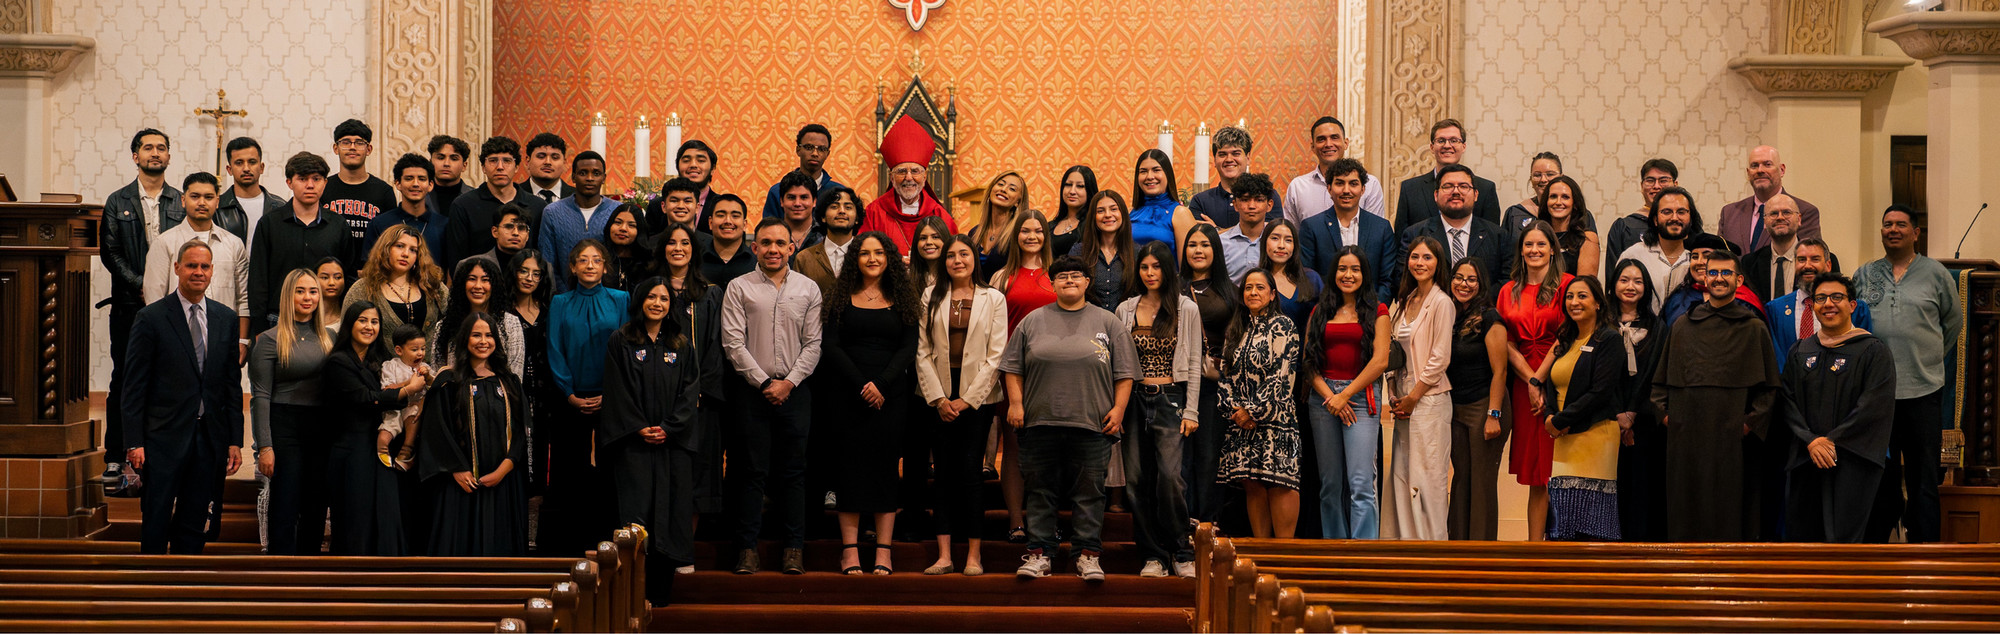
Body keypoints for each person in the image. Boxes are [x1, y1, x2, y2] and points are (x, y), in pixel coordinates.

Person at [1004, 255, 1137, 582]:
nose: (1069, 281)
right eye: (1062, 277)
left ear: (1087, 282)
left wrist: (1119, 410)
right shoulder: (1033, 321)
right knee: (1041, 491)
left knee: (1090, 493)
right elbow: (1012, 368)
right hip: (1039, 422)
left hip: (1092, 424)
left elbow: (1125, 374)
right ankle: (1040, 554)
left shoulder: (1108, 322)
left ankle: (1088, 555)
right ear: (1052, 283)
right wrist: (1016, 403)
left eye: (1076, 276)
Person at [123, 239, 244, 554]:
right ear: (177, 268)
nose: (198, 272)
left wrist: (234, 440)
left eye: (205, 266)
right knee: (156, 520)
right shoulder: (151, 318)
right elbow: (134, 386)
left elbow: (231, 384)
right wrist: (134, 442)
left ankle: (185, 584)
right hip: (163, 437)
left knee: (194, 521)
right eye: (191, 265)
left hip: (209, 438)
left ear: (212, 271)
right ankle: (151, 589)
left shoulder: (226, 319)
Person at [1651, 249, 1781, 541]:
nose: (1718, 279)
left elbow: (1769, 389)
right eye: (1713, 273)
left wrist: (1748, 424)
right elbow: (1659, 385)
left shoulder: (1754, 328)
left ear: (1739, 279)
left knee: (1733, 511)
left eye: (1725, 273)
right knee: (1686, 511)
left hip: (1734, 441)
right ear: (1704, 278)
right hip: (1686, 440)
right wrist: (1669, 418)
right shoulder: (1683, 326)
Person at [720, 218, 823, 575]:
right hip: (752, 393)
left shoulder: (809, 288)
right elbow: (733, 343)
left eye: (781, 243)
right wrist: (765, 383)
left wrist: (789, 383)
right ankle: (746, 549)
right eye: (766, 243)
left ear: (792, 247)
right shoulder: (738, 287)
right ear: (755, 247)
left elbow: (813, 344)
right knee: (751, 472)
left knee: (794, 473)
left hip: (796, 391)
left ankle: (793, 549)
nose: (774, 249)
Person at [1854, 205, 1959, 544]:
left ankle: (1927, 553)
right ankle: (1876, 555)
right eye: (1887, 224)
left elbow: (1952, 323)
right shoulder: (1865, 274)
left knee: (1923, 478)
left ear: (1916, 233)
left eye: (1901, 225)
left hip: (1923, 392)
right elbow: (1853, 324)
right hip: (1877, 395)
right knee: (1878, 477)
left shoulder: (1936, 274)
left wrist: (1925, 358)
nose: (1893, 229)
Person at [820, 232, 921, 575]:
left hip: (890, 395)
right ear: (855, 259)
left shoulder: (903, 297)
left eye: (879, 253)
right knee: (848, 469)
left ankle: (883, 550)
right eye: (865, 253)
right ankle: (849, 551)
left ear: (889, 257)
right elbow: (831, 346)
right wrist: (862, 384)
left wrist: (881, 384)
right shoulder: (839, 296)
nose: (873, 258)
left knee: (885, 471)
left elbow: (909, 348)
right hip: (847, 394)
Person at [600, 277, 701, 601]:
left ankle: (660, 592)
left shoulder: (681, 343)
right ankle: (630, 591)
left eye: (664, 299)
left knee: (669, 516)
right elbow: (616, 389)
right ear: (640, 300)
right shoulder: (622, 340)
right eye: (651, 297)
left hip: (672, 446)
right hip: (634, 446)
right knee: (635, 514)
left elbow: (690, 391)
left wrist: (670, 428)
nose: (657, 303)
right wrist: (637, 426)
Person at [1781, 272, 1897, 543]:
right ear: (1813, 306)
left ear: (1852, 305)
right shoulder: (1800, 351)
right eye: (1820, 298)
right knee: (1806, 541)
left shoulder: (1872, 351)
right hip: (1806, 460)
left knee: (1847, 543)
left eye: (1837, 297)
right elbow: (1787, 400)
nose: (1828, 304)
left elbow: (1873, 406)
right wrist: (1811, 442)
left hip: (1853, 462)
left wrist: (1830, 443)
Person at [916, 235, 1007, 576]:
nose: (957, 260)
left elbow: (996, 354)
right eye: (951, 255)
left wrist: (967, 400)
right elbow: (922, 351)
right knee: (942, 474)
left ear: (974, 259)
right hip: (938, 394)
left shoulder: (993, 298)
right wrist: (939, 398)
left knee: (970, 472)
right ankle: (943, 555)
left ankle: (973, 555)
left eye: (963, 254)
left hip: (977, 397)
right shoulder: (931, 295)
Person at [1115, 242, 1203, 576]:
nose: (1150, 273)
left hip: (1171, 399)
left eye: (1156, 267)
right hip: (1135, 399)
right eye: (1144, 267)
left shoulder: (1185, 308)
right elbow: (1118, 363)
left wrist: (1191, 410)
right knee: (1137, 481)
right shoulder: (1125, 308)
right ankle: (1152, 555)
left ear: (1168, 269)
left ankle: (1181, 552)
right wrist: (1118, 407)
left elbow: (1193, 361)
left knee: (1170, 478)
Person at [419, 313, 531, 556]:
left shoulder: (509, 382)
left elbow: (522, 431)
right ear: (464, 340)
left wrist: (505, 468)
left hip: (502, 484)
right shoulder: (449, 382)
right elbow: (436, 430)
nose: (484, 341)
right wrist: (456, 469)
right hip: (460, 485)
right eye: (476, 335)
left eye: (489, 335)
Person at [544, 240, 630, 555]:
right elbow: (555, 349)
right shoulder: (559, 302)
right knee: (573, 477)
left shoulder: (622, 300)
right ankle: (571, 550)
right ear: (573, 267)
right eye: (583, 260)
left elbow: (625, 353)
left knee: (608, 477)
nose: (590, 265)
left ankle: (608, 546)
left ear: (606, 267)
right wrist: (569, 395)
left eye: (596, 260)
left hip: (613, 401)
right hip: (571, 402)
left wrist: (610, 394)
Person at [1302, 247, 1393, 540]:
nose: (1348, 275)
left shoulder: (1378, 311)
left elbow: (1380, 361)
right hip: (1323, 400)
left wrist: (1345, 396)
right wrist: (1331, 397)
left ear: (1364, 274)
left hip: (1361, 398)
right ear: (1334, 273)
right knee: (1329, 484)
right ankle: (1334, 551)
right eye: (1342, 269)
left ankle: (1363, 555)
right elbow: (1308, 360)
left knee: (1361, 483)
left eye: (1355, 269)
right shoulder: (1320, 310)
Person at [102, 128, 177, 483]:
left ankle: (160, 451)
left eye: (161, 148)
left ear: (168, 156)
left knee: (168, 378)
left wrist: (163, 290)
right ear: (135, 156)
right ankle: (116, 454)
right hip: (130, 305)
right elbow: (111, 253)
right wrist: (143, 286)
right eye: (148, 148)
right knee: (124, 378)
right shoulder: (118, 201)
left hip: (172, 305)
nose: (155, 153)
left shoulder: (179, 200)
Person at [324, 302, 424, 555]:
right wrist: (407, 391)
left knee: (386, 515)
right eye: (363, 320)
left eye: (374, 321)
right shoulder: (338, 361)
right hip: (351, 447)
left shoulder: (379, 359)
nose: (369, 327)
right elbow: (364, 398)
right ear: (350, 324)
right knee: (356, 517)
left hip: (380, 445)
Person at [248, 269, 336, 555]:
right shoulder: (269, 340)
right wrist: (265, 446)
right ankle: (280, 568)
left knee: (316, 500)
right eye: (300, 291)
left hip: (321, 426)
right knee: (286, 500)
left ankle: (311, 568)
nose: (308, 297)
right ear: (289, 295)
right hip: (284, 423)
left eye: (313, 291)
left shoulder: (330, 338)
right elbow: (260, 396)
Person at [656, 224, 727, 567]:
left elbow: (716, 347)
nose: (678, 248)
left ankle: (685, 550)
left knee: (695, 477)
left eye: (685, 242)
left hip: (700, 402)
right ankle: (661, 550)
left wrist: (697, 393)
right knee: (663, 476)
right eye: (671, 242)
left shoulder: (711, 294)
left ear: (694, 250)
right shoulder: (652, 292)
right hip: (659, 404)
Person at [1499, 220, 1572, 541]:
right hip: (1521, 382)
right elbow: (1506, 342)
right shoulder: (1508, 289)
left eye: (1541, 244)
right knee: (1537, 474)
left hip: (1559, 380)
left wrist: (1539, 380)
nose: (1534, 250)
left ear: (1553, 249)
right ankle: (1534, 549)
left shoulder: (1567, 285)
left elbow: (1568, 334)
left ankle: (1565, 544)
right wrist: (1529, 380)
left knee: (1561, 468)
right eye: (1528, 245)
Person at [1539, 276, 1627, 541]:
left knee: (1592, 523)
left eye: (1582, 296)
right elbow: (1551, 385)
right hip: (1564, 437)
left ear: (1598, 303)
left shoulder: (1608, 340)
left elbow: (1600, 392)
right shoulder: (1566, 339)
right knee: (1562, 521)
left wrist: (1561, 420)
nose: (1574, 302)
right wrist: (1550, 417)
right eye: (1569, 297)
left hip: (1595, 435)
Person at [1218, 268, 1304, 539]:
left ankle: (1285, 556)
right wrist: (1234, 409)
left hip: (1275, 421)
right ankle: (1262, 550)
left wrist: (1253, 411)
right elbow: (1224, 373)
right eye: (1248, 288)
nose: (1253, 292)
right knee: (1252, 484)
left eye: (1259, 288)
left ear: (1272, 294)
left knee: (1280, 484)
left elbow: (1282, 375)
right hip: (1241, 423)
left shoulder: (1283, 326)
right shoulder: (1236, 328)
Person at [1383, 236, 1456, 540]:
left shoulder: (1442, 302)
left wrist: (1414, 397)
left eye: (1427, 257)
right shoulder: (1404, 300)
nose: (1420, 263)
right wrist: (1393, 392)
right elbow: (1391, 351)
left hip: (1429, 400)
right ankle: (1404, 546)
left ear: (1438, 263)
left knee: (1428, 479)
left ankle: (1432, 548)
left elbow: (1440, 357)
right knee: (1402, 475)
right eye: (1415, 257)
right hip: (1403, 399)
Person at [991, 209, 1056, 540]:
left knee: (1049, 448)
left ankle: (1044, 519)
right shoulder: (1002, 277)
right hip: (1013, 372)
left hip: (1053, 374)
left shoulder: (1057, 275)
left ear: (1046, 235)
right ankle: (1016, 520)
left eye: (1038, 231)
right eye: (1025, 231)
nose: (1032, 236)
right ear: (1015, 237)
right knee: (1014, 447)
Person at [143, 173, 248, 361]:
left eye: (208, 197)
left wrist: (242, 340)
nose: (201, 202)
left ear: (217, 201)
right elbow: (154, 298)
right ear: (183, 200)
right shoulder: (165, 242)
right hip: (176, 339)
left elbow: (243, 298)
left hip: (222, 339)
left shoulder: (234, 244)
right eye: (195, 196)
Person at [1443, 257, 1508, 540]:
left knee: (1481, 483)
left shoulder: (1490, 317)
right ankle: (1457, 549)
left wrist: (1493, 415)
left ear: (1481, 284)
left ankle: (1483, 554)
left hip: (1485, 405)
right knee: (1460, 480)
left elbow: (1500, 370)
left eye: (1471, 279)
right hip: (1455, 407)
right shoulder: (1450, 314)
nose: (1463, 284)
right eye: (1459, 277)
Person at [250, 152, 351, 334]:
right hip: (277, 319)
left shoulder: (339, 225)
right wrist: (258, 329)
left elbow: (348, 275)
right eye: (302, 179)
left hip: (325, 320)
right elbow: (258, 279)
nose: (310, 185)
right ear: (289, 182)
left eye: (316, 179)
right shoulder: (269, 224)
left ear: (325, 183)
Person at [1179, 224, 1238, 527]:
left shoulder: (1229, 291)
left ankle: (1208, 520)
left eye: (1205, 244)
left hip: (1214, 383)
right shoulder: (1173, 287)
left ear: (1215, 250)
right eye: (1192, 245)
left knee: (1209, 454)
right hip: (1177, 381)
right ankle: (1184, 520)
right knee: (1181, 455)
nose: (1198, 251)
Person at [1608, 259, 1667, 541]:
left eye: (1637, 281)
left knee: (1643, 485)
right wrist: (1618, 412)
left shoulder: (1658, 327)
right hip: (1605, 419)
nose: (1630, 287)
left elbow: (1655, 373)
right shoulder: (1600, 324)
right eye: (1624, 280)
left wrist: (1632, 413)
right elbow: (1599, 376)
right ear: (1613, 284)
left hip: (1645, 421)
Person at [502, 249, 557, 523]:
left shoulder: (549, 310)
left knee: (542, 467)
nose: (530, 278)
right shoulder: (502, 312)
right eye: (524, 271)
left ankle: (534, 539)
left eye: (536, 273)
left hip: (547, 398)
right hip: (513, 397)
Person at [1400, 164, 1512, 297]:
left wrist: (1474, 303)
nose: (1456, 192)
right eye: (1448, 186)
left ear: (1476, 195)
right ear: (1436, 195)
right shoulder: (1415, 234)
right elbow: (1403, 279)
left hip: (1482, 313)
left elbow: (1507, 280)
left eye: (1463, 186)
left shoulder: (1498, 236)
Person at [1300, 159, 1398, 301]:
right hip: (1327, 316)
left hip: (1371, 315)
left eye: (1353, 184)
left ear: (1363, 189)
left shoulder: (1381, 228)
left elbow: (1387, 281)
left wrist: (1373, 312)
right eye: (1339, 183)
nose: (1346, 190)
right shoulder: (1312, 227)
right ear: (1329, 188)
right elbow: (1308, 279)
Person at [444, 136, 547, 269]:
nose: (500, 167)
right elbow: (456, 259)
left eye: (507, 161)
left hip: (525, 285)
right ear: (483, 167)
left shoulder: (537, 206)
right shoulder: (463, 205)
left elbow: (542, 257)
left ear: (516, 167)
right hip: (479, 285)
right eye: (493, 161)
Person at [1768, 238, 1874, 366]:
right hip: (1791, 383)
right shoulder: (1775, 309)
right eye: (1801, 260)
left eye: (1815, 259)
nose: (1807, 265)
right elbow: (1775, 360)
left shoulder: (1855, 308)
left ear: (1828, 265)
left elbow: (1864, 354)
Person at [861, 116, 958, 254]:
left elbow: (952, 254)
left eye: (915, 171)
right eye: (901, 171)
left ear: (924, 177)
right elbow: (863, 252)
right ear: (892, 178)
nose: (908, 178)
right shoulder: (874, 213)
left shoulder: (939, 214)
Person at [1393, 119, 1501, 233]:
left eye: (1454, 140)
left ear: (1463, 146)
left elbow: (1492, 238)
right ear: (1431, 147)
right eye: (1441, 141)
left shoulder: (1485, 188)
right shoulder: (1410, 189)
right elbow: (1401, 239)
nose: (1447, 145)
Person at [344, 224, 448, 337]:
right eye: (399, 246)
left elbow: (455, 320)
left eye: (413, 250)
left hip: (429, 355)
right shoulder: (362, 288)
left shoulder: (432, 285)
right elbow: (347, 333)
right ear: (386, 248)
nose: (405, 254)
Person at [430, 258, 527, 377]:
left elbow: (515, 376)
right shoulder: (444, 326)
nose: (478, 286)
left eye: (485, 280)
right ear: (462, 284)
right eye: (472, 279)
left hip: (498, 394)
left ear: (494, 285)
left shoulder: (510, 324)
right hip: (455, 393)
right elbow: (438, 374)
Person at [1718, 146, 1822, 254]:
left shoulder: (1804, 211)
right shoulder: (1730, 213)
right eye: (1754, 166)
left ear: (1781, 170)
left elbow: (1808, 260)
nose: (1760, 170)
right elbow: (1720, 259)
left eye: (1767, 164)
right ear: (1748, 173)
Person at [1283, 117, 1386, 223]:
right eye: (1321, 139)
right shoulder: (1298, 187)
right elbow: (1291, 235)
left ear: (1346, 143)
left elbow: (1374, 231)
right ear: (1313, 146)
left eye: (1334, 137)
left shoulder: (1370, 184)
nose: (1328, 144)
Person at [323, 120, 399, 264]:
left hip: (370, 273)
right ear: (335, 148)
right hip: (329, 273)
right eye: (345, 142)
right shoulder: (323, 187)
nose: (352, 147)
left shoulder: (384, 191)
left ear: (368, 149)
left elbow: (391, 239)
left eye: (359, 142)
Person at [539, 151, 614, 292]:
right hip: (563, 297)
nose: (590, 178)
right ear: (573, 177)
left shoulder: (616, 211)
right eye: (583, 173)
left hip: (606, 297)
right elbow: (547, 263)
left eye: (596, 173)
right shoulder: (553, 212)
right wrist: (565, 296)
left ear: (604, 178)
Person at [1615, 186, 1698, 313]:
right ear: (1655, 219)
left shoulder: (1697, 261)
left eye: (1681, 212)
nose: (1674, 218)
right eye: (1667, 212)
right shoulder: (1634, 255)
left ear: (1690, 219)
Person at [1659, 233, 1764, 327]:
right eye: (1695, 257)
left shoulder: (1744, 301)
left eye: (1707, 256)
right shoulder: (1678, 299)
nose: (1699, 262)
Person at [1604, 159, 1678, 273]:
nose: (1656, 186)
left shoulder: (1684, 225)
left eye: (1663, 180)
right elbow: (1614, 276)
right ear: (1642, 186)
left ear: (1675, 184)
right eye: (1650, 180)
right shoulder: (1624, 227)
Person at [364, 154, 446, 256]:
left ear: (430, 185)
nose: (415, 184)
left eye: (422, 179)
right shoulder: (379, 224)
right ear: (398, 184)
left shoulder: (444, 225)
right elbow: (370, 267)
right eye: (409, 178)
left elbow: (450, 269)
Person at [793, 185, 864, 297]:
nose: (841, 211)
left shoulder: (867, 256)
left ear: (857, 219)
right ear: (823, 217)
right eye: (834, 207)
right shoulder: (804, 258)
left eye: (848, 207)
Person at [1072, 190, 1137, 313]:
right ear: (1093, 217)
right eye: (1100, 211)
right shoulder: (1079, 252)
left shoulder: (1137, 252)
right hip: (1087, 324)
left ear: (1122, 213)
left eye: (1113, 209)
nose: (1107, 215)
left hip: (1126, 326)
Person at [762, 124, 843, 220]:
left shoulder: (838, 193)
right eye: (809, 147)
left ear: (827, 154)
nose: (815, 154)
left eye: (822, 149)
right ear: (798, 150)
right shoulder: (777, 191)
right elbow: (769, 230)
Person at [1129, 149, 1200, 253]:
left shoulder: (1180, 214)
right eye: (1143, 171)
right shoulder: (1131, 213)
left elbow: (1186, 266)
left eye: (1156, 170)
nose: (1149, 177)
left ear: (1167, 174)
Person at [1742, 193, 1808, 304]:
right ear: (1764, 222)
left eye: (1787, 212)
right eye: (1773, 213)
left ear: (1799, 219)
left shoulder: (1819, 261)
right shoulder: (1749, 264)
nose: (1780, 217)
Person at [1260, 219, 1322, 333]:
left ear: (1295, 246)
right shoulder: (1256, 280)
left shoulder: (1312, 278)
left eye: (1288, 240)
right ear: (1264, 242)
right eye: (1275, 238)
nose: (1281, 245)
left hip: (1307, 348)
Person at [642, 140, 719, 232]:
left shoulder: (720, 205)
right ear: (677, 167)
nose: (693, 165)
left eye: (701, 161)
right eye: (686, 161)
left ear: (713, 168)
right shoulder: (656, 206)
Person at [219, 136, 284, 244]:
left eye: (252, 162)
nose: (246, 168)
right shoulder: (217, 208)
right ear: (229, 169)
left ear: (261, 167)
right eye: (239, 163)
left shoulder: (279, 207)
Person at [971, 171, 1033, 277]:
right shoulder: (974, 233)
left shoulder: (1019, 235)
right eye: (1000, 184)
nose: (1003, 189)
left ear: (1018, 202)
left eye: (1012, 189)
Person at [1189, 126, 1251, 229]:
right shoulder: (1200, 201)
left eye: (1236, 153)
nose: (1229, 159)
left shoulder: (1265, 196)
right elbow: (1200, 241)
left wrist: (1216, 231)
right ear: (1214, 160)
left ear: (1248, 158)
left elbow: (1268, 237)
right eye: (1222, 154)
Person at [1537, 176, 1599, 279]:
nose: (1558, 202)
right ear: (1546, 202)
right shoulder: (1538, 235)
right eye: (1553, 196)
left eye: (1565, 197)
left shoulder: (1586, 238)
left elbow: (1584, 287)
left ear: (1574, 204)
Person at [1218, 174, 1275, 284]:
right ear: (1235, 204)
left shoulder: (1277, 242)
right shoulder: (1221, 243)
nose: (1252, 206)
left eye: (1259, 200)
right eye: (1245, 200)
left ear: (1269, 205)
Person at [1501, 152, 1563, 236]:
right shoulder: (1515, 214)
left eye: (1550, 174)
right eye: (1537, 175)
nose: (1543, 179)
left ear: (1562, 177)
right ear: (1531, 179)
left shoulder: (1577, 214)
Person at [699, 194, 756, 284]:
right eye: (721, 215)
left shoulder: (757, 264)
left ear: (744, 225)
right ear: (710, 223)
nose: (728, 221)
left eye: (735, 216)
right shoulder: (695, 260)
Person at [470, 203, 536, 272]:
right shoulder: (472, 266)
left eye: (521, 228)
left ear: (527, 235)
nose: (515, 233)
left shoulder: (541, 268)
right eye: (509, 227)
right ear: (495, 232)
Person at [1049, 166, 1097, 258]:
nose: (1072, 191)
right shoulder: (1049, 227)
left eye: (1080, 186)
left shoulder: (1094, 225)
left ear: (1089, 190)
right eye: (1068, 185)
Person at [602, 204, 651, 291]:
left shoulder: (648, 264)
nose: (623, 228)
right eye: (618, 222)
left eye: (631, 225)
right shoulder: (598, 259)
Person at [773, 171, 824, 250]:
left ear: (814, 201)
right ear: (781, 201)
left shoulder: (826, 234)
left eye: (804, 197)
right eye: (791, 197)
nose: (797, 203)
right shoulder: (770, 234)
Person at [426, 135, 475, 214]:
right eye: (440, 158)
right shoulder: (419, 195)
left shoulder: (476, 198)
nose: (446, 164)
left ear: (464, 166)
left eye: (454, 159)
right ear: (430, 162)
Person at [520, 133, 574, 203]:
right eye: (541, 156)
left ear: (564, 162)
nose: (548, 162)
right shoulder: (514, 195)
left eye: (555, 157)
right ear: (528, 161)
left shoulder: (577, 197)